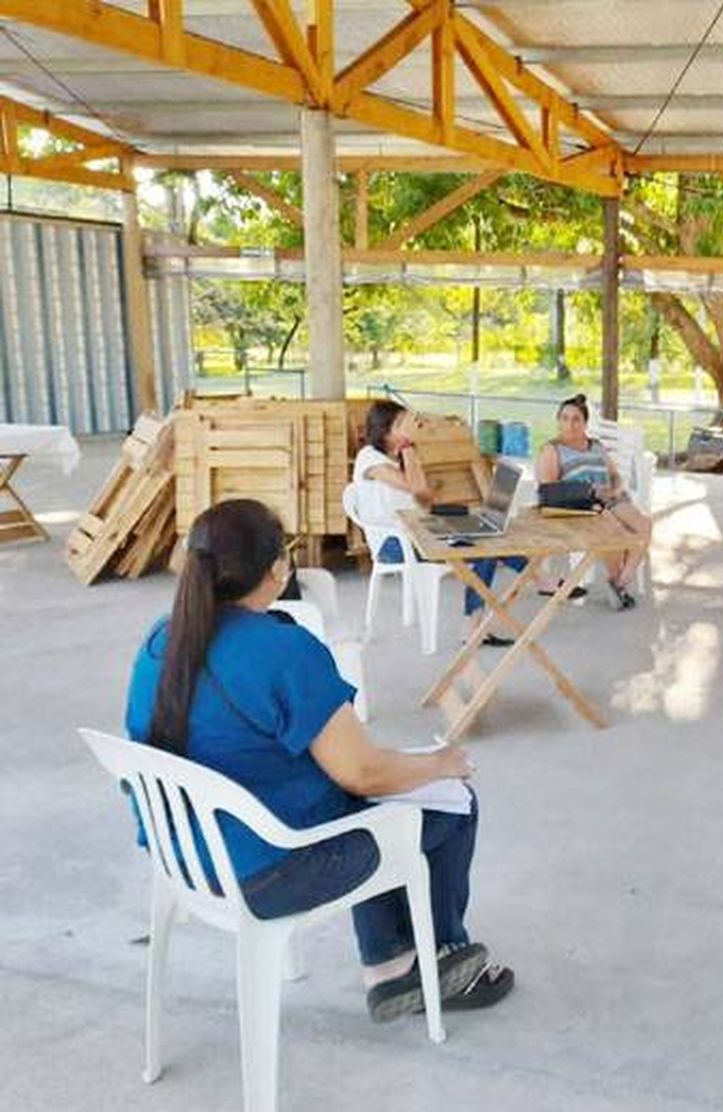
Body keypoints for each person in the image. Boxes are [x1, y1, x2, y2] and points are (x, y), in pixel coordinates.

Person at [124, 499, 514, 1020]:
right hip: (272, 869)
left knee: (358, 798)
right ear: (278, 568)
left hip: (187, 855)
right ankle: (435, 962)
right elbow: (362, 770)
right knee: (448, 804)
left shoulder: (161, 640)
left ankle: (389, 964)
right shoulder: (284, 650)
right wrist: (442, 763)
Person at [352, 399, 521, 646]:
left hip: (421, 530)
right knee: (487, 549)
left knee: (490, 529)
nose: (414, 425)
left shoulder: (401, 455)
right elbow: (416, 487)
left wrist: (454, 514)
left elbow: (423, 498)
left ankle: (536, 579)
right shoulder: (369, 458)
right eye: (406, 422)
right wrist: (409, 447)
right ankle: (532, 582)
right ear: (389, 430)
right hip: (396, 543)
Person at [535, 393, 652, 610]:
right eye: (564, 418)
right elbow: (548, 490)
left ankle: (619, 582)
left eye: (576, 419)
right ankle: (619, 587)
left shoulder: (596, 445)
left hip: (611, 499)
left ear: (585, 423)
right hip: (582, 505)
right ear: (558, 420)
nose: (569, 424)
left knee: (644, 525)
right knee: (617, 532)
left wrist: (615, 489)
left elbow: (615, 474)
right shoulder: (552, 450)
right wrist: (588, 493)